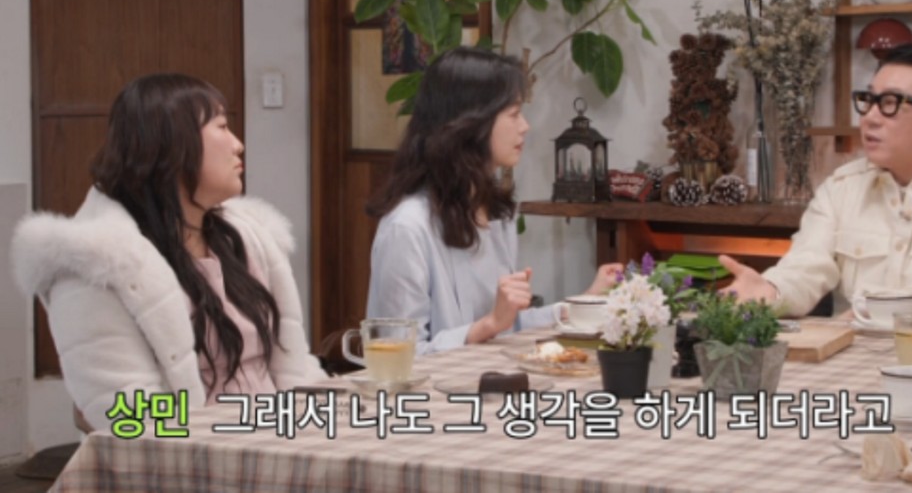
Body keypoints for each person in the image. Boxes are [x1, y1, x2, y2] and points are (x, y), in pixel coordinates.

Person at [11, 74, 325, 430]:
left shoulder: (246, 238)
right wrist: (243, 434)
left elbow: (294, 368)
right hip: (195, 455)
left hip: (279, 439)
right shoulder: (96, 265)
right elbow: (129, 412)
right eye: (222, 127)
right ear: (173, 145)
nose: (238, 145)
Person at [366, 48, 620, 355]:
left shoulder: (496, 214)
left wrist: (587, 301)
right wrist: (489, 324)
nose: (525, 126)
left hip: (491, 377)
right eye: (513, 114)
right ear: (471, 122)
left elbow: (507, 327)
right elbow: (399, 355)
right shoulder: (406, 228)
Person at [722, 44, 912, 316]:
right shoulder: (842, 187)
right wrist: (771, 291)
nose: (869, 118)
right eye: (869, 100)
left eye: (890, 103)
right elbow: (804, 269)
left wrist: (874, 305)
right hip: (850, 347)